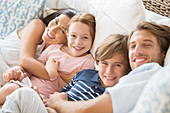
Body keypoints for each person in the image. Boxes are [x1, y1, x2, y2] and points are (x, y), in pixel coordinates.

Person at [0, 33, 131, 112]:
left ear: (128, 67)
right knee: (16, 91)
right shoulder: (86, 74)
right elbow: (60, 93)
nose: (109, 71)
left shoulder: (118, 94)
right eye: (104, 63)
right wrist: (42, 100)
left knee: (24, 95)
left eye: (117, 65)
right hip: (49, 108)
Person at [0, 12, 96, 105]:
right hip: (12, 71)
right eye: (56, 21)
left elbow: (71, 90)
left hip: (42, 95)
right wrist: (59, 75)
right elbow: (26, 64)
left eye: (62, 30)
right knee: (10, 90)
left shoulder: (88, 62)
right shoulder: (42, 33)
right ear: (68, 35)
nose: (78, 42)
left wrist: (54, 74)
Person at [0, 8, 77, 86]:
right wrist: (64, 77)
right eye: (56, 21)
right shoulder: (37, 25)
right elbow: (25, 61)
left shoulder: (57, 52)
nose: (53, 29)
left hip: (9, 76)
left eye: (62, 31)